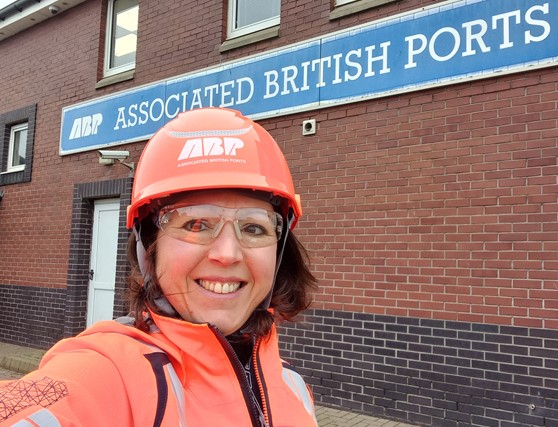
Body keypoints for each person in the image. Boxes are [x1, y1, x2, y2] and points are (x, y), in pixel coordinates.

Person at [0, 107, 319, 426]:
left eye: (254, 228)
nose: (227, 254)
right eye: (195, 224)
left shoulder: (293, 386)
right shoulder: (108, 374)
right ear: (150, 246)